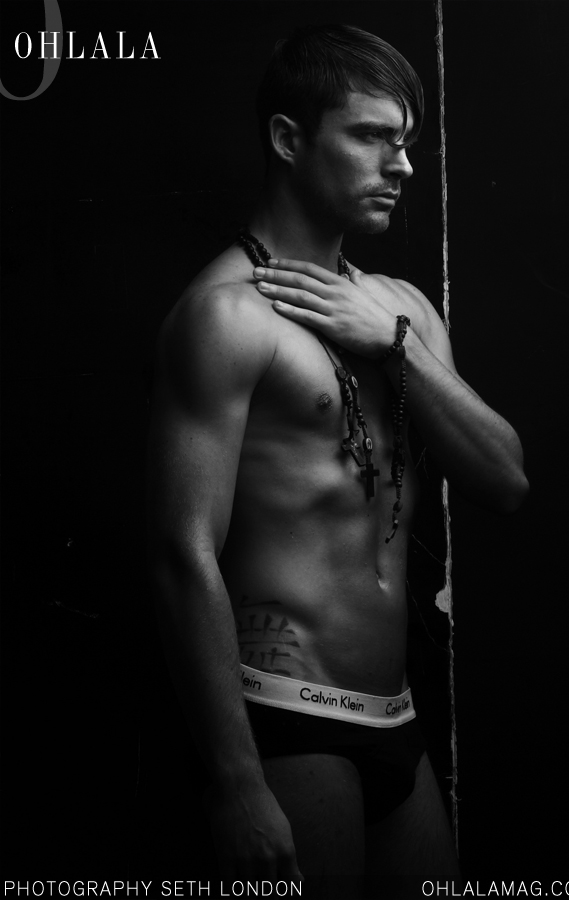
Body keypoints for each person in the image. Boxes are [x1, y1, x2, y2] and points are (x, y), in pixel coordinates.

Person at [146, 23, 528, 899]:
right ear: (289, 139)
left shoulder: (402, 311)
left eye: (407, 143)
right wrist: (237, 780)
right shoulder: (226, 316)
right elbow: (178, 552)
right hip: (283, 714)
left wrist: (393, 344)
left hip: (396, 714)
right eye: (371, 137)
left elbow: (505, 479)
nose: (402, 165)